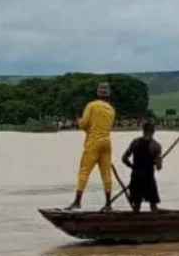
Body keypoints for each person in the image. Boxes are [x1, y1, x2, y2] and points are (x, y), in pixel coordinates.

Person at [66, 82, 116, 211]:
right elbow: (106, 127)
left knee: (84, 172)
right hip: (107, 143)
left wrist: (77, 116)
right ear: (108, 95)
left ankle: (77, 201)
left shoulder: (92, 105)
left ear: (98, 93)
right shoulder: (111, 110)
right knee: (106, 174)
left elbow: (83, 125)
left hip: (93, 142)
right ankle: (108, 204)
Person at [121, 121, 163, 212]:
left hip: (136, 176)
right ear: (153, 131)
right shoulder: (156, 146)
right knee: (153, 206)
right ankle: (155, 219)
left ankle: (135, 218)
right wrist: (157, 161)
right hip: (148, 177)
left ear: (143, 130)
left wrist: (132, 167)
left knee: (136, 206)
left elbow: (124, 158)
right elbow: (159, 167)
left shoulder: (135, 142)